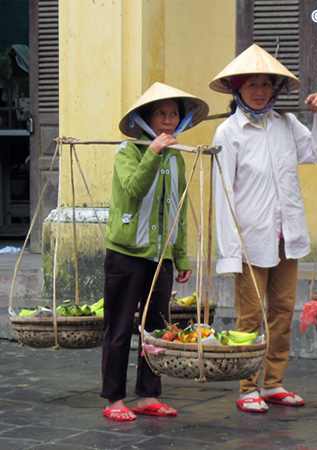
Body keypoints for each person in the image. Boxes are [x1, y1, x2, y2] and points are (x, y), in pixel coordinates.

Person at [209, 44, 317, 413]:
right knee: (250, 315)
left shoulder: (286, 124)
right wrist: (230, 250)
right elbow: (223, 195)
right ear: (238, 90)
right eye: (252, 85)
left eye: (266, 85)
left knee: (282, 309)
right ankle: (247, 384)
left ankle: (274, 382)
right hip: (250, 237)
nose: (260, 91)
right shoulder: (229, 132)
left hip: (286, 234)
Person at [101, 82, 209, 421]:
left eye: (173, 114)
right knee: (119, 328)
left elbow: (177, 207)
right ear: (147, 119)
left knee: (155, 330)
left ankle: (149, 393)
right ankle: (114, 398)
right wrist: (152, 153)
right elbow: (133, 190)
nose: (168, 120)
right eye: (161, 114)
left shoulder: (177, 159)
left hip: (159, 257)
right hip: (126, 254)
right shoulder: (128, 153)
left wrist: (180, 256)